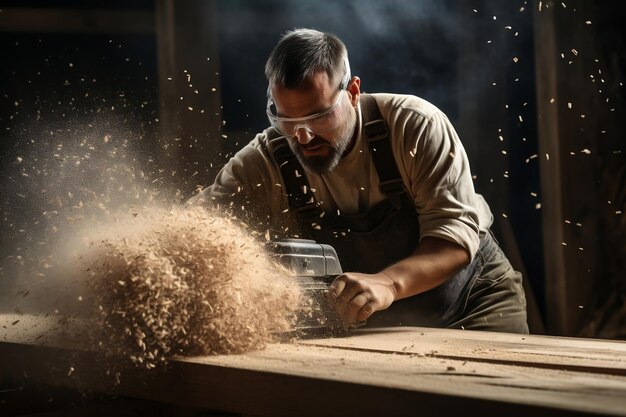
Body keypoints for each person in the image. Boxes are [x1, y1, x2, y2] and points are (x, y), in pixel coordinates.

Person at [190, 28, 528, 333]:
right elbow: (195, 230)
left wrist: (389, 284)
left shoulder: (414, 127)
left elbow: (454, 240)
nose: (303, 137)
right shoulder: (265, 160)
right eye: (286, 120)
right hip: (385, 323)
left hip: (475, 302)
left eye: (319, 116)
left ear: (352, 92)